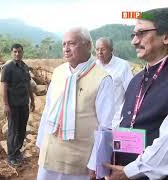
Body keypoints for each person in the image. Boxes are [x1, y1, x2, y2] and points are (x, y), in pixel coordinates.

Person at [36, 27, 115, 180]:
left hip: (80, 160)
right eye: (63, 44)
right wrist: (40, 142)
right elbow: (48, 109)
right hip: (51, 153)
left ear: (88, 45)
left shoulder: (102, 78)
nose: (66, 49)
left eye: (71, 43)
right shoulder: (59, 72)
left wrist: (95, 162)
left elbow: (106, 125)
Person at [105, 8, 168, 180]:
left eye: (141, 33)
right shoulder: (137, 79)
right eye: (133, 34)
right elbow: (122, 120)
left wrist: (130, 172)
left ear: (166, 37)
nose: (134, 41)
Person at [1, 43, 35, 166]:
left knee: (22, 129)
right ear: (11, 53)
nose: (17, 54)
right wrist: (6, 104)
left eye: (19, 52)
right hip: (13, 105)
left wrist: (32, 99)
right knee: (13, 130)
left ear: (22, 53)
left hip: (24, 103)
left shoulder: (25, 67)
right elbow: (4, 87)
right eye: (15, 52)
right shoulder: (8, 68)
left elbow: (28, 85)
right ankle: (11, 156)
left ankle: (18, 151)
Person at [95, 37, 133, 128]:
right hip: (96, 120)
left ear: (111, 50)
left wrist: (123, 115)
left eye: (103, 49)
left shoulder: (123, 66)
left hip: (115, 120)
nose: (99, 52)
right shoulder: (94, 66)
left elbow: (131, 92)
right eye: (97, 49)